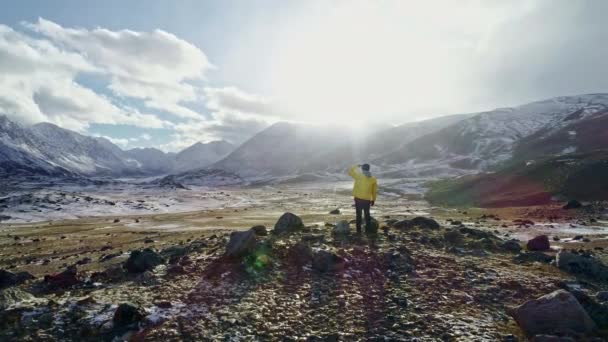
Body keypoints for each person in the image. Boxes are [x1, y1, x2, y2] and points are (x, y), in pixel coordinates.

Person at [348, 163, 378, 234]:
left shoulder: (359, 176)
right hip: (367, 200)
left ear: (362, 169)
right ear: (369, 169)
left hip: (358, 199)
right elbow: (374, 191)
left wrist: (356, 166)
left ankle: (359, 231)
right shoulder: (373, 179)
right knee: (367, 215)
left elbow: (350, 171)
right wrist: (373, 199)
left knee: (358, 215)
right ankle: (368, 230)